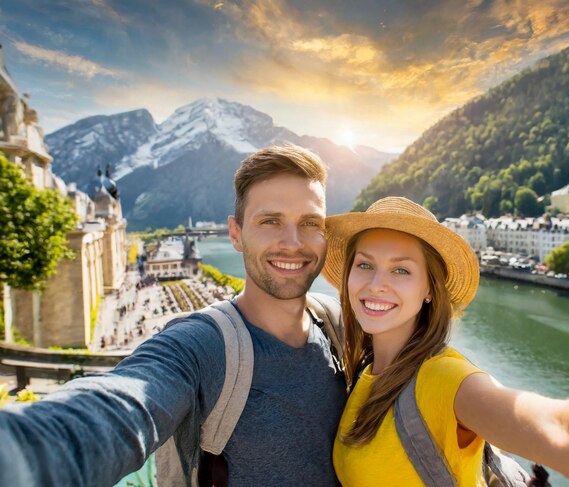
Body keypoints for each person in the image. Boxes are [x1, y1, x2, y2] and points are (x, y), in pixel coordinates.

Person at [0, 145, 347, 486]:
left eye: (310, 222)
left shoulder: (334, 323)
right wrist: (21, 457)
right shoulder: (201, 346)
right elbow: (124, 403)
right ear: (236, 234)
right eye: (270, 221)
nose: (293, 242)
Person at [322, 196, 569, 487]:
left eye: (401, 270)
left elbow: (558, 426)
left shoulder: (445, 378)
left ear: (429, 289)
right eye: (365, 265)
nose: (377, 285)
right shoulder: (364, 370)